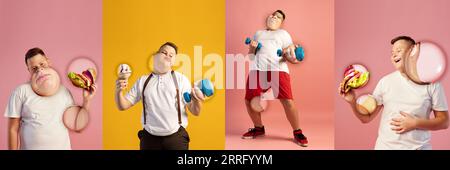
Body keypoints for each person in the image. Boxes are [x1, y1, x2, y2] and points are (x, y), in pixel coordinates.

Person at [339, 36, 449, 149]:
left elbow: (444, 122)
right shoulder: (385, 82)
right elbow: (366, 118)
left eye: (399, 50)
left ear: (413, 52)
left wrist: (415, 123)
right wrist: (352, 102)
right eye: (392, 52)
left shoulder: (432, 84)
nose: (394, 55)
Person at [115, 42, 204, 150]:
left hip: (176, 138)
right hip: (149, 139)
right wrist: (119, 91)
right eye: (164, 52)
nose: (168, 56)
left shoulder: (181, 79)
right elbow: (123, 105)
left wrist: (197, 100)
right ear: (156, 56)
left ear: (173, 61)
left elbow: (195, 111)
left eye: (171, 55)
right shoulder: (143, 81)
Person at [4, 47, 96, 150]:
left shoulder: (64, 92)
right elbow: (13, 129)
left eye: (42, 64)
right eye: (34, 68)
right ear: (29, 70)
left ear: (48, 62)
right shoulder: (21, 92)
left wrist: (87, 100)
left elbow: (78, 127)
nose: (39, 69)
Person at [242, 10, 308, 147]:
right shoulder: (259, 33)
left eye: (278, 17)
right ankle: (258, 128)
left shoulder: (283, 34)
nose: (274, 17)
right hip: (257, 70)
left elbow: (290, 56)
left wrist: (290, 56)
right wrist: (252, 48)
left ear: (281, 22)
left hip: (278, 70)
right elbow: (251, 57)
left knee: (288, 102)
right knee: (249, 101)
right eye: (273, 15)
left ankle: (297, 132)